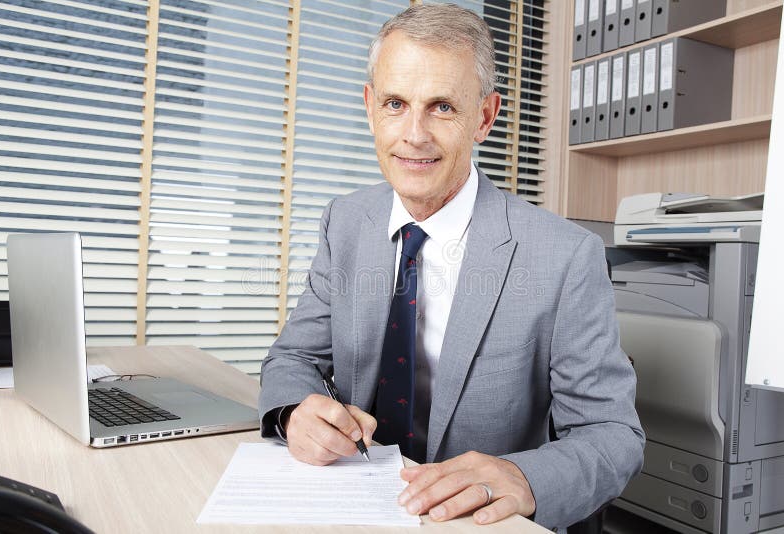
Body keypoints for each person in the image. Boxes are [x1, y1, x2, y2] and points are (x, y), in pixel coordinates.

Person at [259, 4, 644, 531]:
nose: (414, 134)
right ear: (371, 108)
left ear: (484, 117)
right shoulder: (345, 221)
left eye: (442, 107)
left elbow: (613, 434)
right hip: (350, 504)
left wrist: (522, 477)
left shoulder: (564, 256)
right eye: (396, 103)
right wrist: (292, 413)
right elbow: (293, 358)